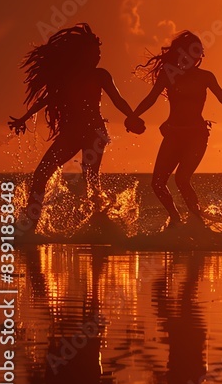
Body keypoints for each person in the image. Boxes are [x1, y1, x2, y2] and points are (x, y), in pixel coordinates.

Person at [8, 23, 139, 234]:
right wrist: (24, 117)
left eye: (99, 53)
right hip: (71, 134)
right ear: (80, 54)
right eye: (93, 53)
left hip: (94, 133)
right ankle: (31, 227)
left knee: (90, 179)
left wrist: (132, 117)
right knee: (41, 174)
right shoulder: (66, 77)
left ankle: (101, 225)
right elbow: (48, 99)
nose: (97, 57)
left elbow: (118, 99)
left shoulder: (101, 75)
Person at [128, 31, 222, 228]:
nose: (196, 56)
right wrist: (133, 115)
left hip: (197, 135)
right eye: (192, 50)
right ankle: (175, 219)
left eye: (199, 51)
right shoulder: (168, 75)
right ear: (181, 52)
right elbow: (151, 98)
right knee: (157, 183)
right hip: (173, 134)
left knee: (182, 179)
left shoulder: (205, 77)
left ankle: (198, 223)